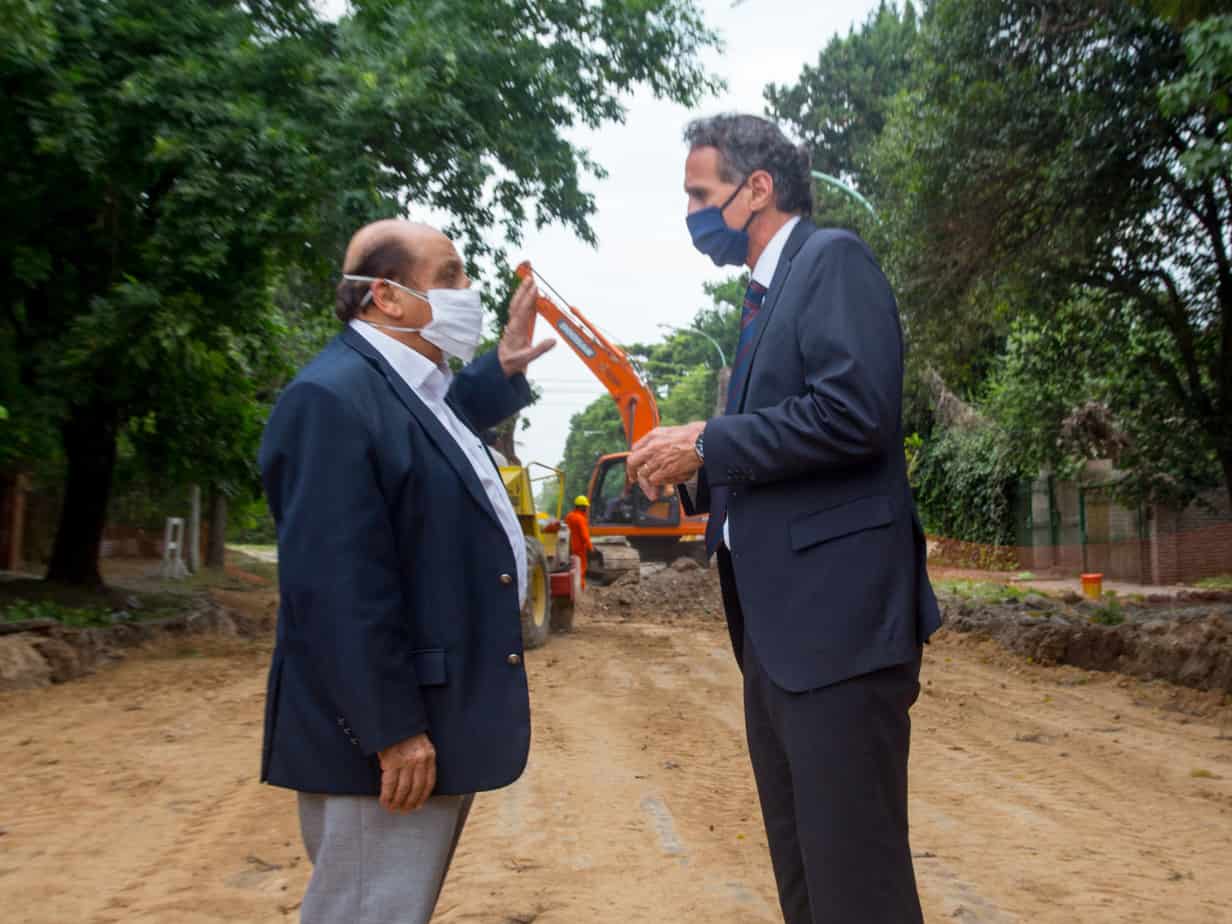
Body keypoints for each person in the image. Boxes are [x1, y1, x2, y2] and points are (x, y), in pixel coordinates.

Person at [628, 114, 942, 924]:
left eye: (701, 194)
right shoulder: (762, 299)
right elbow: (777, 454)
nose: (693, 213)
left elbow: (854, 414)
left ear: (756, 187)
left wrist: (706, 441)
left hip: (835, 630)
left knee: (855, 881)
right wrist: (692, 485)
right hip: (779, 635)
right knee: (807, 873)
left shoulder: (830, 261)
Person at [258, 218, 555, 924]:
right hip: (385, 745)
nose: (467, 291)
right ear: (386, 299)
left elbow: (433, 432)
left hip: (425, 723)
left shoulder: (408, 388)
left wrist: (504, 367)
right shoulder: (330, 400)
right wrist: (392, 732)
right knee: (367, 912)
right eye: (449, 275)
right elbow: (336, 590)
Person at [562, 495, 595, 588]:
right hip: (579, 549)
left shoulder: (569, 516)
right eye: (585, 507)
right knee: (581, 569)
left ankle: (571, 587)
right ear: (580, 507)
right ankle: (580, 588)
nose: (586, 508)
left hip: (568, 548)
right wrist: (590, 547)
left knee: (571, 568)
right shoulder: (580, 519)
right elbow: (585, 536)